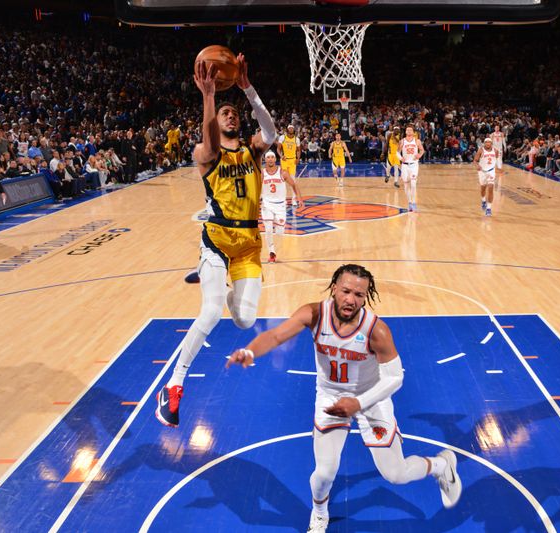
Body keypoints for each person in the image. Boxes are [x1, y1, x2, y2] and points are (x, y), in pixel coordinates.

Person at [226, 264, 462, 532]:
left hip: (372, 398)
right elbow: (276, 335)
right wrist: (250, 352)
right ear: (334, 288)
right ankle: (319, 513)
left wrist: (359, 403)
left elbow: (395, 377)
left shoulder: (377, 330)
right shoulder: (314, 313)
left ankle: (442, 465)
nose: (351, 299)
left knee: (395, 475)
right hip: (330, 395)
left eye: (359, 295)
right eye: (346, 291)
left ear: (366, 297)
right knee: (325, 472)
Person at [155, 54, 277, 427]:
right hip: (217, 239)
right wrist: (208, 95)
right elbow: (207, 138)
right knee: (210, 313)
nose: (230, 115)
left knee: (244, 320)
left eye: (233, 112)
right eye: (224, 113)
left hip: (248, 245)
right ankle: (174, 387)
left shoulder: (253, 151)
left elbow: (270, 133)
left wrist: (247, 90)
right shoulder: (205, 155)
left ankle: (223, 287)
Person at [261, 150, 303, 263]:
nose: (270, 159)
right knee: (268, 229)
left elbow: (294, 185)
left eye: (272, 157)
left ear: (275, 159)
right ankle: (271, 252)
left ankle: (275, 249)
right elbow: (254, 188)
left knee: (279, 232)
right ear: (265, 159)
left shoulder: (282, 172)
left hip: (280, 205)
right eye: (268, 157)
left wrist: (299, 198)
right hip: (267, 204)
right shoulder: (261, 173)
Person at [398, 125, 424, 212]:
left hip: (414, 165)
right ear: (405, 132)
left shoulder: (417, 141)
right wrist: (400, 158)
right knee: (406, 184)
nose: (408, 131)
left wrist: (419, 155)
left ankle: (413, 202)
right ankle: (409, 202)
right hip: (405, 165)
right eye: (407, 130)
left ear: (413, 132)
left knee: (413, 184)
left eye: (410, 130)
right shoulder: (402, 141)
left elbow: (422, 150)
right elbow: (397, 152)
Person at [278, 124, 301, 207]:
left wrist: (298, 158)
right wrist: (281, 156)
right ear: (287, 129)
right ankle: (283, 200)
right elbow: (278, 149)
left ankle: (294, 200)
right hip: (284, 160)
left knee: (293, 181)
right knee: (283, 180)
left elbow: (298, 150)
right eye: (290, 128)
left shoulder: (296, 139)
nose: (291, 129)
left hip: (292, 161)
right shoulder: (282, 137)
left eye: (292, 128)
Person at [474, 137, 497, 216]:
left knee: (491, 188)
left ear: (491, 143)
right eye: (486, 142)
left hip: (491, 171)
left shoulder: (495, 151)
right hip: (482, 171)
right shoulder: (481, 150)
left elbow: (495, 159)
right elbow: (475, 160)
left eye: (489, 142)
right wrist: (477, 165)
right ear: (484, 143)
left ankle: (489, 208)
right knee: (483, 188)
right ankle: (483, 200)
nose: (487, 143)